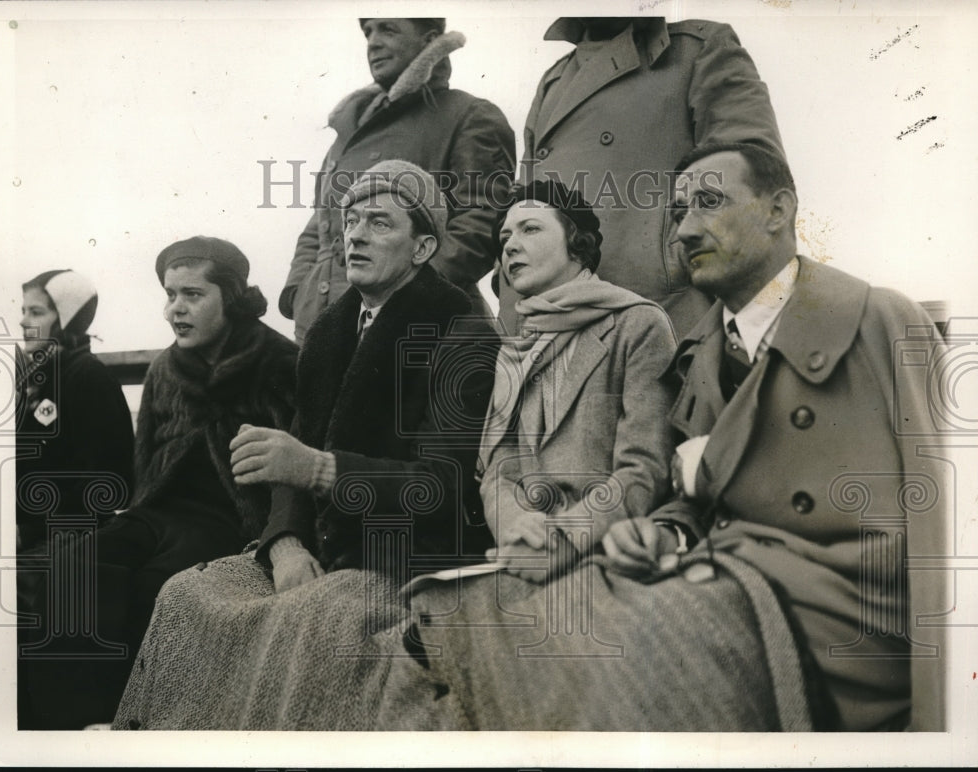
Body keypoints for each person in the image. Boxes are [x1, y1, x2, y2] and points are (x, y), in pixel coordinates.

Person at [375, 144, 946, 732]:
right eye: (677, 213)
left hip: (833, 619)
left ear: (779, 210)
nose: (687, 229)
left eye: (709, 202)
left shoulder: (878, 320)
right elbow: (694, 498)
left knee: (567, 642)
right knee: (437, 632)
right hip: (712, 577)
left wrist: (940, 727)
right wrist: (663, 532)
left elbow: (945, 525)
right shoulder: (701, 356)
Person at [112, 161, 497, 731]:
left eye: (380, 223)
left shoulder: (460, 330)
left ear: (422, 248)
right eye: (351, 220)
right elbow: (295, 456)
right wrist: (285, 542)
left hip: (403, 557)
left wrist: (319, 470)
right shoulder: (331, 331)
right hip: (318, 547)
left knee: (318, 620)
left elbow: (439, 488)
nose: (357, 234)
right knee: (184, 596)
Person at [18, 237, 299, 729]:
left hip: (235, 518)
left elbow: (297, 464)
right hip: (161, 510)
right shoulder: (166, 367)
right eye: (170, 294)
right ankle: (63, 723)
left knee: (157, 584)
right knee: (76, 566)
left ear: (230, 297)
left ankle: (129, 719)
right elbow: (145, 457)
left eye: (192, 294)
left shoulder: (277, 360)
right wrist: (133, 513)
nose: (175, 309)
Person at [497, 16, 785, 341]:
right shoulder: (555, 78)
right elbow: (524, 197)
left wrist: (673, 260)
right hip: (540, 320)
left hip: (654, 310)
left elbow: (755, 179)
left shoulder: (696, 48)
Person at [477, 180, 677, 582]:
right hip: (526, 558)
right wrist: (516, 525)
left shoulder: (637, 325)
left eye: (530, 229)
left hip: (611, 557)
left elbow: (644, 469)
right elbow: (499, 472)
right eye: (505, 236)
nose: (511, 245)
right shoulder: (517, 350)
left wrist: (566, 536)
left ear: (576, 243)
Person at [281, 17, 516, 344]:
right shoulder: (351, 129)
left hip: (416, 331)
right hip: (322, 328)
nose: (373, 42)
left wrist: (407, 298)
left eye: (388, 29)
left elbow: (483, 221)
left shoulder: (468, 115)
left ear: (429, 38)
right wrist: (298, 291)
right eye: (368, 32)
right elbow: (320, 225)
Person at [15, 269, 134, 552]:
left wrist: (27, 530)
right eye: (23, 311)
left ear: (67, 321)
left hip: (68, 540)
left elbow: (105, 482)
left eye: (36, 312)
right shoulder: (44, 379)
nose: (22, 321)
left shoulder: (88, 378)